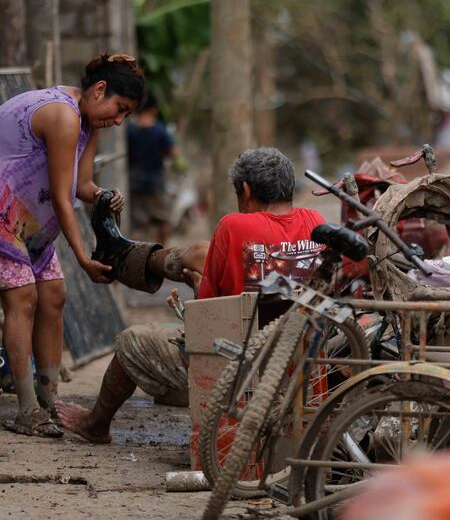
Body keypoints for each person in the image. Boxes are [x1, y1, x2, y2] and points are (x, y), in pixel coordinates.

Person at [55, 147, 325, 444]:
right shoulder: (315, 221)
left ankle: (95, 424)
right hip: (297, 358)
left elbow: (206, 315)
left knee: (133, 340)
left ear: (246, 190)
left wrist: (197, 284)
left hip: (239, 361)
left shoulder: (234, 226)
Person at [0, 53, 145, 438]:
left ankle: (50, 401)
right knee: (23, 298)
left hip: (25, 215)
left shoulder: (88, 121)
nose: (118, 120)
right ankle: (26, 410)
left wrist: (104, 196)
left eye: (127, 115)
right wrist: (83, 257)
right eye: (119, 109)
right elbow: (59, 195)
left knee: (54, 295)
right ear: (100, 90)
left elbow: (81, 186)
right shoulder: (63, 115)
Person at [127, 92, 177, 243]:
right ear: (154, 109)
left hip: (134, 180)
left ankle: (139, 259)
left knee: (138, 226)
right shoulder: (160, 130)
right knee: (163, 220)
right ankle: (161, 252)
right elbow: (173, 153)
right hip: (156, 181)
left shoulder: (129, 130)